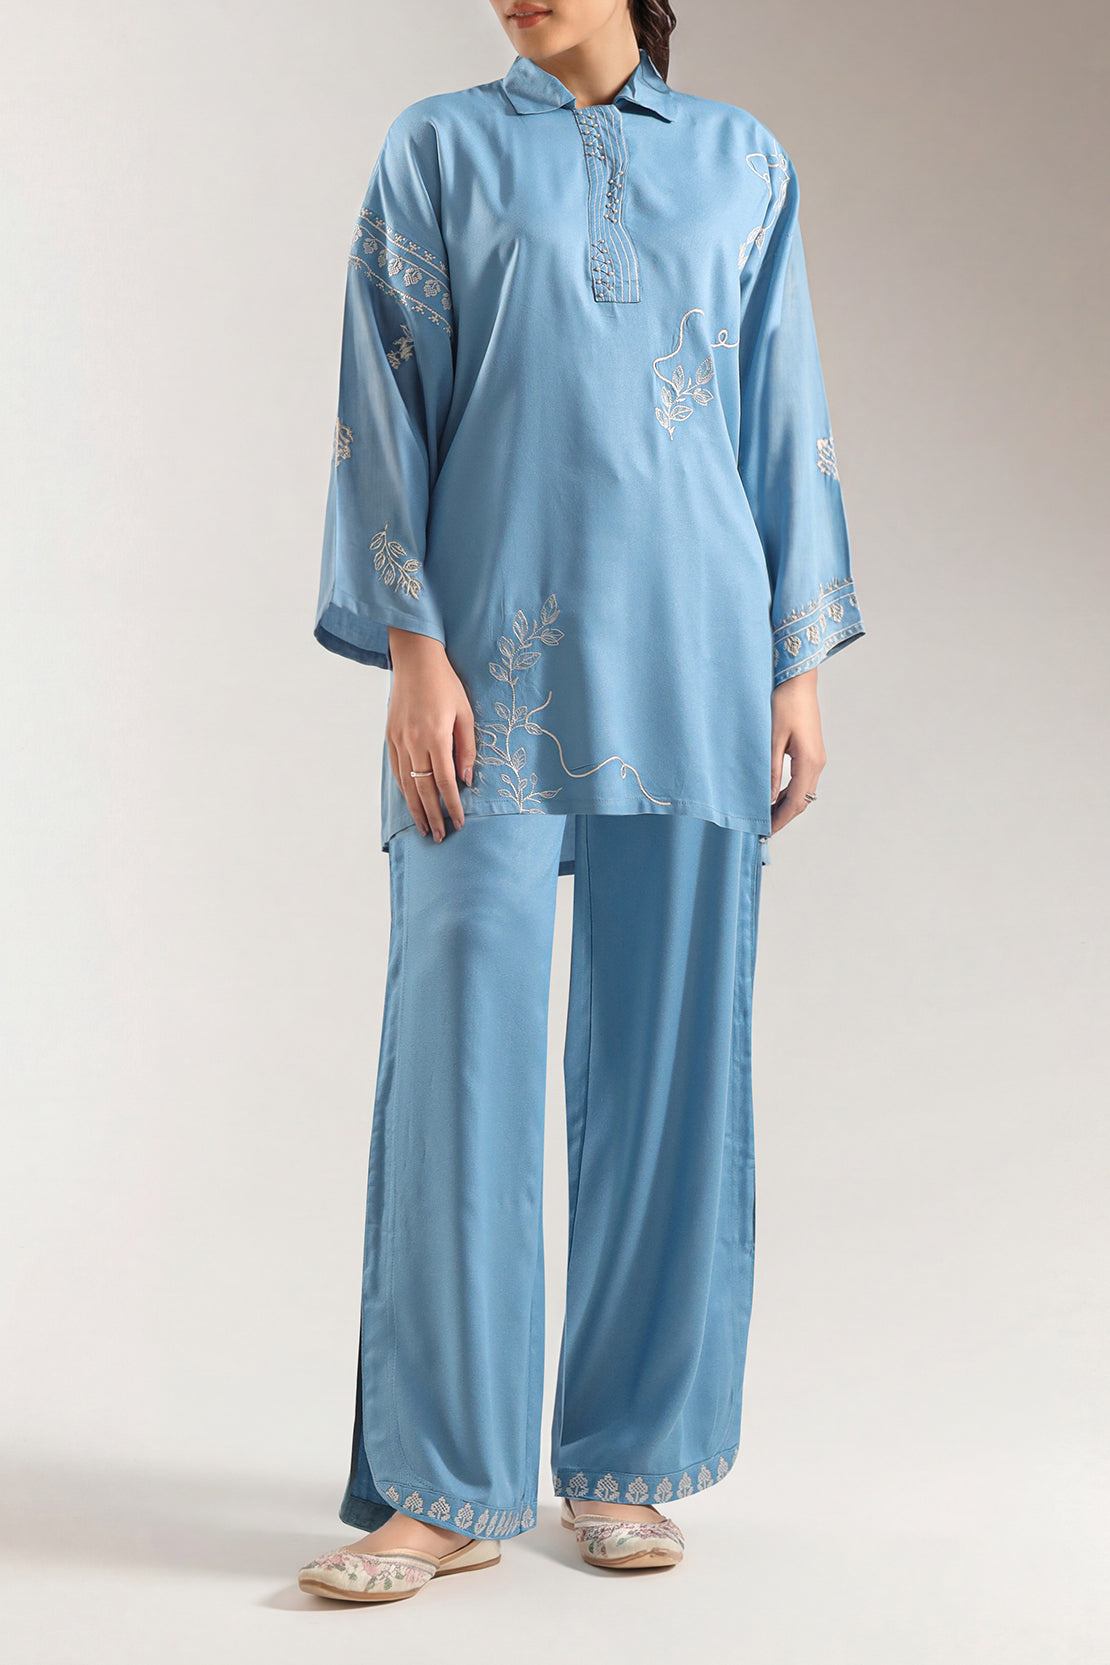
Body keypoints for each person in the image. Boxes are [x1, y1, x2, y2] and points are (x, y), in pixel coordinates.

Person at [300, 0, 865, 1603]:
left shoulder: (742, 163)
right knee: (456, 1055)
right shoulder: (438, 149)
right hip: (484, 663)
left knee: (669, 1058)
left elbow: (781, 410)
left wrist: (795, 666)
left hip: (695, 654)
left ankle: (623, 1456)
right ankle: (444, 1483)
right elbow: (383, 402)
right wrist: (414, 649)